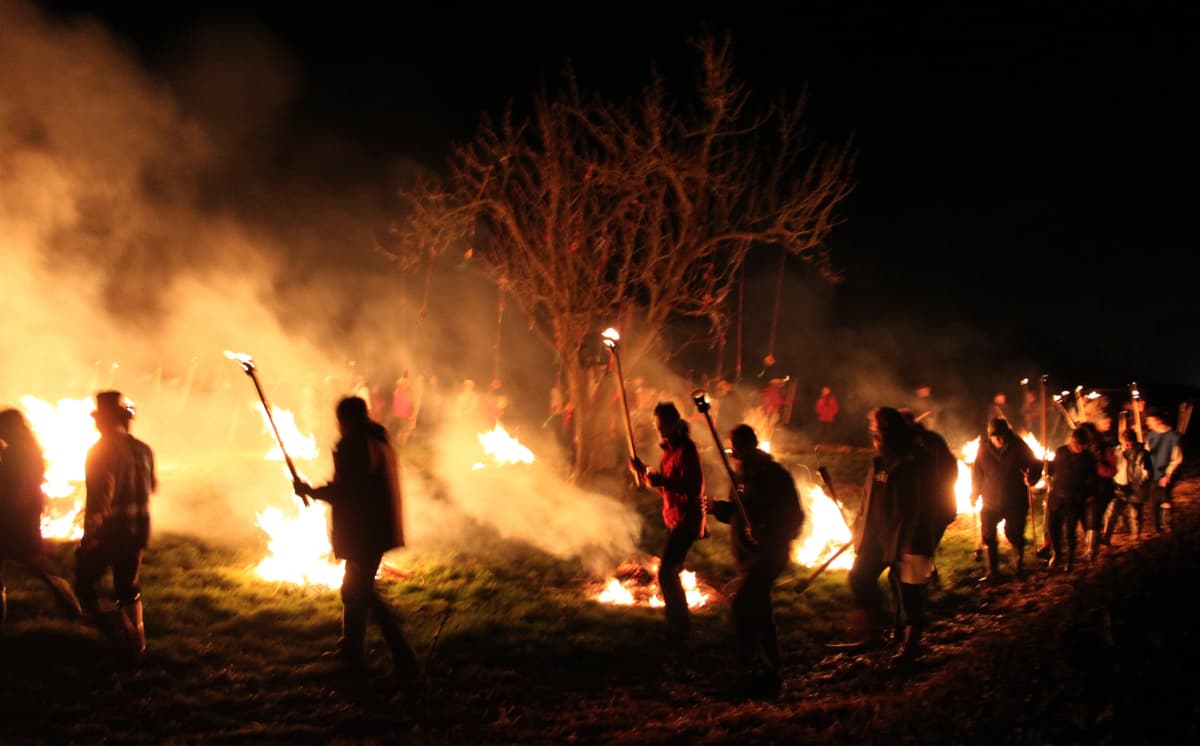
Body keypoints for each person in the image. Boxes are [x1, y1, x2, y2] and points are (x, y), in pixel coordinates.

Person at [293, 396, 419, 683]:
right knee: (353, 590)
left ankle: (405, 659)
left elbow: (349, 490)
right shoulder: (375, 437)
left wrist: (311, 491)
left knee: (364, 593)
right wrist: (312, 492)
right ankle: (350, 651)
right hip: (373, 528)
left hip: (367, 530)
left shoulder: (358, 444)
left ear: (345, 420)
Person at [834, 407, 947, 665]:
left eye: (882, 431)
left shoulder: (918, 462)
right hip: (877, 537)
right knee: (860, 577)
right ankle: (876, 630)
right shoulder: (879, 460)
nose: (877, 437)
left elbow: (928, 505)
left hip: (907, 537)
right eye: (875, 431)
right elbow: (869, 497)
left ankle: (910, 646)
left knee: (910, 594)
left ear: (895, 432)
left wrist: (919, 542)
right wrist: (859, 525)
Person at [707, 424, 804, 696]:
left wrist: (767, 530)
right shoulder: (740, 478)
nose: (734, 457)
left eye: (736, 451)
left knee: (743, 605)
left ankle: (750, 667)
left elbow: (793, 517)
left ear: (750, 447)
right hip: (747, 557)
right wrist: (719, 509)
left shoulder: (773, 476)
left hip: (769, 555)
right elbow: (739, 514)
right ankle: (770, 669)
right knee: (760, 612)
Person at [75, 391, 156, 660]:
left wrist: (89, 537)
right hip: (138, 530)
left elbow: (100, 499)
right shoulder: (143, 449)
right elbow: (152, 486)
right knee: (128, 587)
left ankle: (119, 635)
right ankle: (138, 645)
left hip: (112, 531)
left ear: (104, 421)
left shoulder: (100, 451)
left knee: (85, 584)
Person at [0, 408, 82, 631]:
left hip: (13, 517)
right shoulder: (31, 450)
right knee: (35, 565)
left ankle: (69, 602)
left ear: (10, 427)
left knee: (34, 564)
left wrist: (8, 510)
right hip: (25, 515)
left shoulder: (15, 453)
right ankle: (68, 601)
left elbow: (11, 487)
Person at [630, 402, 706, 638]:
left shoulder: (687, 451)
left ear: (674, 423)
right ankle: (678, 623)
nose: (659, 430)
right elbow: (666, 489)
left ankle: (680, 624)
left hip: (688, 518)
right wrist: (645, 472)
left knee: (667, 572)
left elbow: (693, 487)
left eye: (663, 425)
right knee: (670, 570)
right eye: (657, 426)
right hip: (673, 517)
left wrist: (663, 481)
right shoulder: (669, 451)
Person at [970, 418, 1043, 582]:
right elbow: (977, 474)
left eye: (1001, 435)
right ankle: (993, 572)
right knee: (988, 535)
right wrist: (974, 493)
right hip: (990, 500)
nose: (998, 439)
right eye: (995, 436)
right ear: (989, 436)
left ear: (1007, 433)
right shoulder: (983, 449)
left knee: (1014, 533)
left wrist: (1032, 477)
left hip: (1015, 501)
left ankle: (1017, 567)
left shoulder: (1019, 447)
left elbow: (1036, 464)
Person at [1045, 427, 1097, 572]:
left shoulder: (1088, 458)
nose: (1079, 447)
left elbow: (1092, 479)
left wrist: (1090, 494)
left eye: (1082, 445)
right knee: (1052, 528)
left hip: (1074, 498)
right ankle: (1057, 553)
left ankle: (1070, 560)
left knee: (1070, 531)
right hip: (1056, 496)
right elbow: (1053, 469)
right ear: (1071, 440)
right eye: (1076, 444)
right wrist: (1046, 467)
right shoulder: (1061, 452)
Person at [1104, 427, 1151, 542]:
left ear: (1134, 442)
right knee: (1112, 511)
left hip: (1135, 488)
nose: (1126, 446)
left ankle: (1136, 538)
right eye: (1124, 443)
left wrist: (1139, 483)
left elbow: (1146, 472)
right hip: (1120, 486)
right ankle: (1106, 538)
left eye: (1129, 444)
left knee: (1135, 514)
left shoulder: (1142, 454)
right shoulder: (1117, 451)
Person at [1143, 408, 1183, 533]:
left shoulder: (1172, 436)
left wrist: (1168, 474)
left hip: (1167, 473)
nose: (1148, 424)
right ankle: (1158, 528)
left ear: (1158, 420)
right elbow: (1147, 455)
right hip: (1155, 473)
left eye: (1149, 421)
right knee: (1154, 501)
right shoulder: (1151, 436)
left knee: (1163, 497)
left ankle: (1167, 525)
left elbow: (1177, 458)